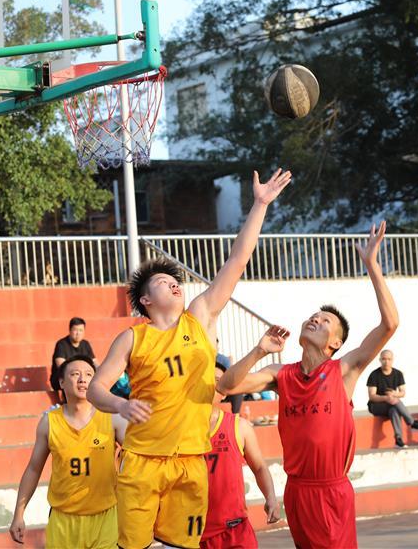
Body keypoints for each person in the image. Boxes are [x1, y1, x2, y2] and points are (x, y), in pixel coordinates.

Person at [87, 169, 291, 549]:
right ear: (146, 300)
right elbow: (96, 389)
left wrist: (260, 205)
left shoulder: (199, 317)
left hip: (191, 460)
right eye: (162, 283)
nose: (173, 283)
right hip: (143, 459)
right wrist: (121, 404)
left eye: (174, 280)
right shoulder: (133, 338)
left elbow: (237, 261)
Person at [217, 221, 398, 549]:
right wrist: (259, 350)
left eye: (325, 320)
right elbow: (227, 387)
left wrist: (372, 265)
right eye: (313, 316)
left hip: (331, 490)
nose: (315, 319)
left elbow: (390, 324)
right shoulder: (280, 374)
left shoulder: (344, 369)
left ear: (335, 343)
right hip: (296, 490)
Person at [9, 355, 127, 548]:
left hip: (105, 518)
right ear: (62, 382)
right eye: (75, 374)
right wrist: (18, 515)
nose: (82, 379)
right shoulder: (49, 423)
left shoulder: (113, 418)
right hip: (63, 521)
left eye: (88, 374)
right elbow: (33, 469)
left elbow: (139, 452)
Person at [201, 354, 280, 549]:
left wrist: (271, 497)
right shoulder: (179, 430)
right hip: (194, 533)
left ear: (225, 391)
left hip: (234, 531)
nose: (211, 385)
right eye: (205, 379)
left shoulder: (239, 426)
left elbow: (259, 466)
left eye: (218, 381)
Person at [366, 350, 418, 447]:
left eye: (389, 359)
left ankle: (398, 439)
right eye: (384, 359)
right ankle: (412, 422)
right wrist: (386, 398)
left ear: (393, 360)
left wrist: (395, 394)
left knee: (394, 409)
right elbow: (372, 396)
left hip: (391, 404)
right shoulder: (374, 375)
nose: (386, 362)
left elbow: (403, 393)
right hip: (376, 406)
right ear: (380, 360)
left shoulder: (398, 373)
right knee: (394, 401)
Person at [49, 317, 95, 397]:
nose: (78, 333)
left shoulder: (85, 344)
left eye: (81, 330)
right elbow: (61, 366)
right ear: (70, 330)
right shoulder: (61, 344)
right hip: (62, 378)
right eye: (75, 330)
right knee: (70, 378)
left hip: (80, 377)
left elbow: (95, 363)